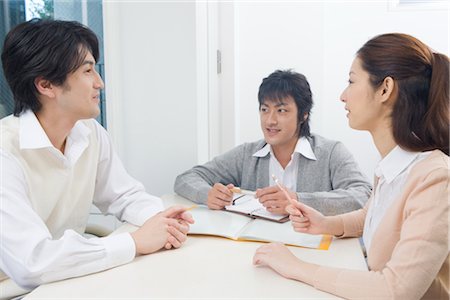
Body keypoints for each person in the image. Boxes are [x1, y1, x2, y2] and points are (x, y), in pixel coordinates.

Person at [0, 19, 194, 291]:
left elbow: (123, 195)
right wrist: (135, 242)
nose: (100, 83)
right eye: (88, 71)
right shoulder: (5, 153)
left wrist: (164, 220)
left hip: (70, 279)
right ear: (46, 85)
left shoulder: (89, 132)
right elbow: (32, 264)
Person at [253, 33, 449, 299]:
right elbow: (371, 218)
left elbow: (396, 290)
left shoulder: (436, 179)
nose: (343, 96)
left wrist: (297, 267)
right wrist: (323, 224)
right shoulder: (393, 166)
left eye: (351, 81)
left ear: (384, 89)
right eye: (265, 110)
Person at [174, 70, 371, 216]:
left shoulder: (330, 152)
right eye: (264, 109)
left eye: (282, 111)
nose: (270, 120)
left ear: (303, 114)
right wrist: (207, 194)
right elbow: (186, 178)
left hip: (311, 249)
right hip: (256, 249)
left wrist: (298, 200)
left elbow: (363, 195)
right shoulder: (247, 154)